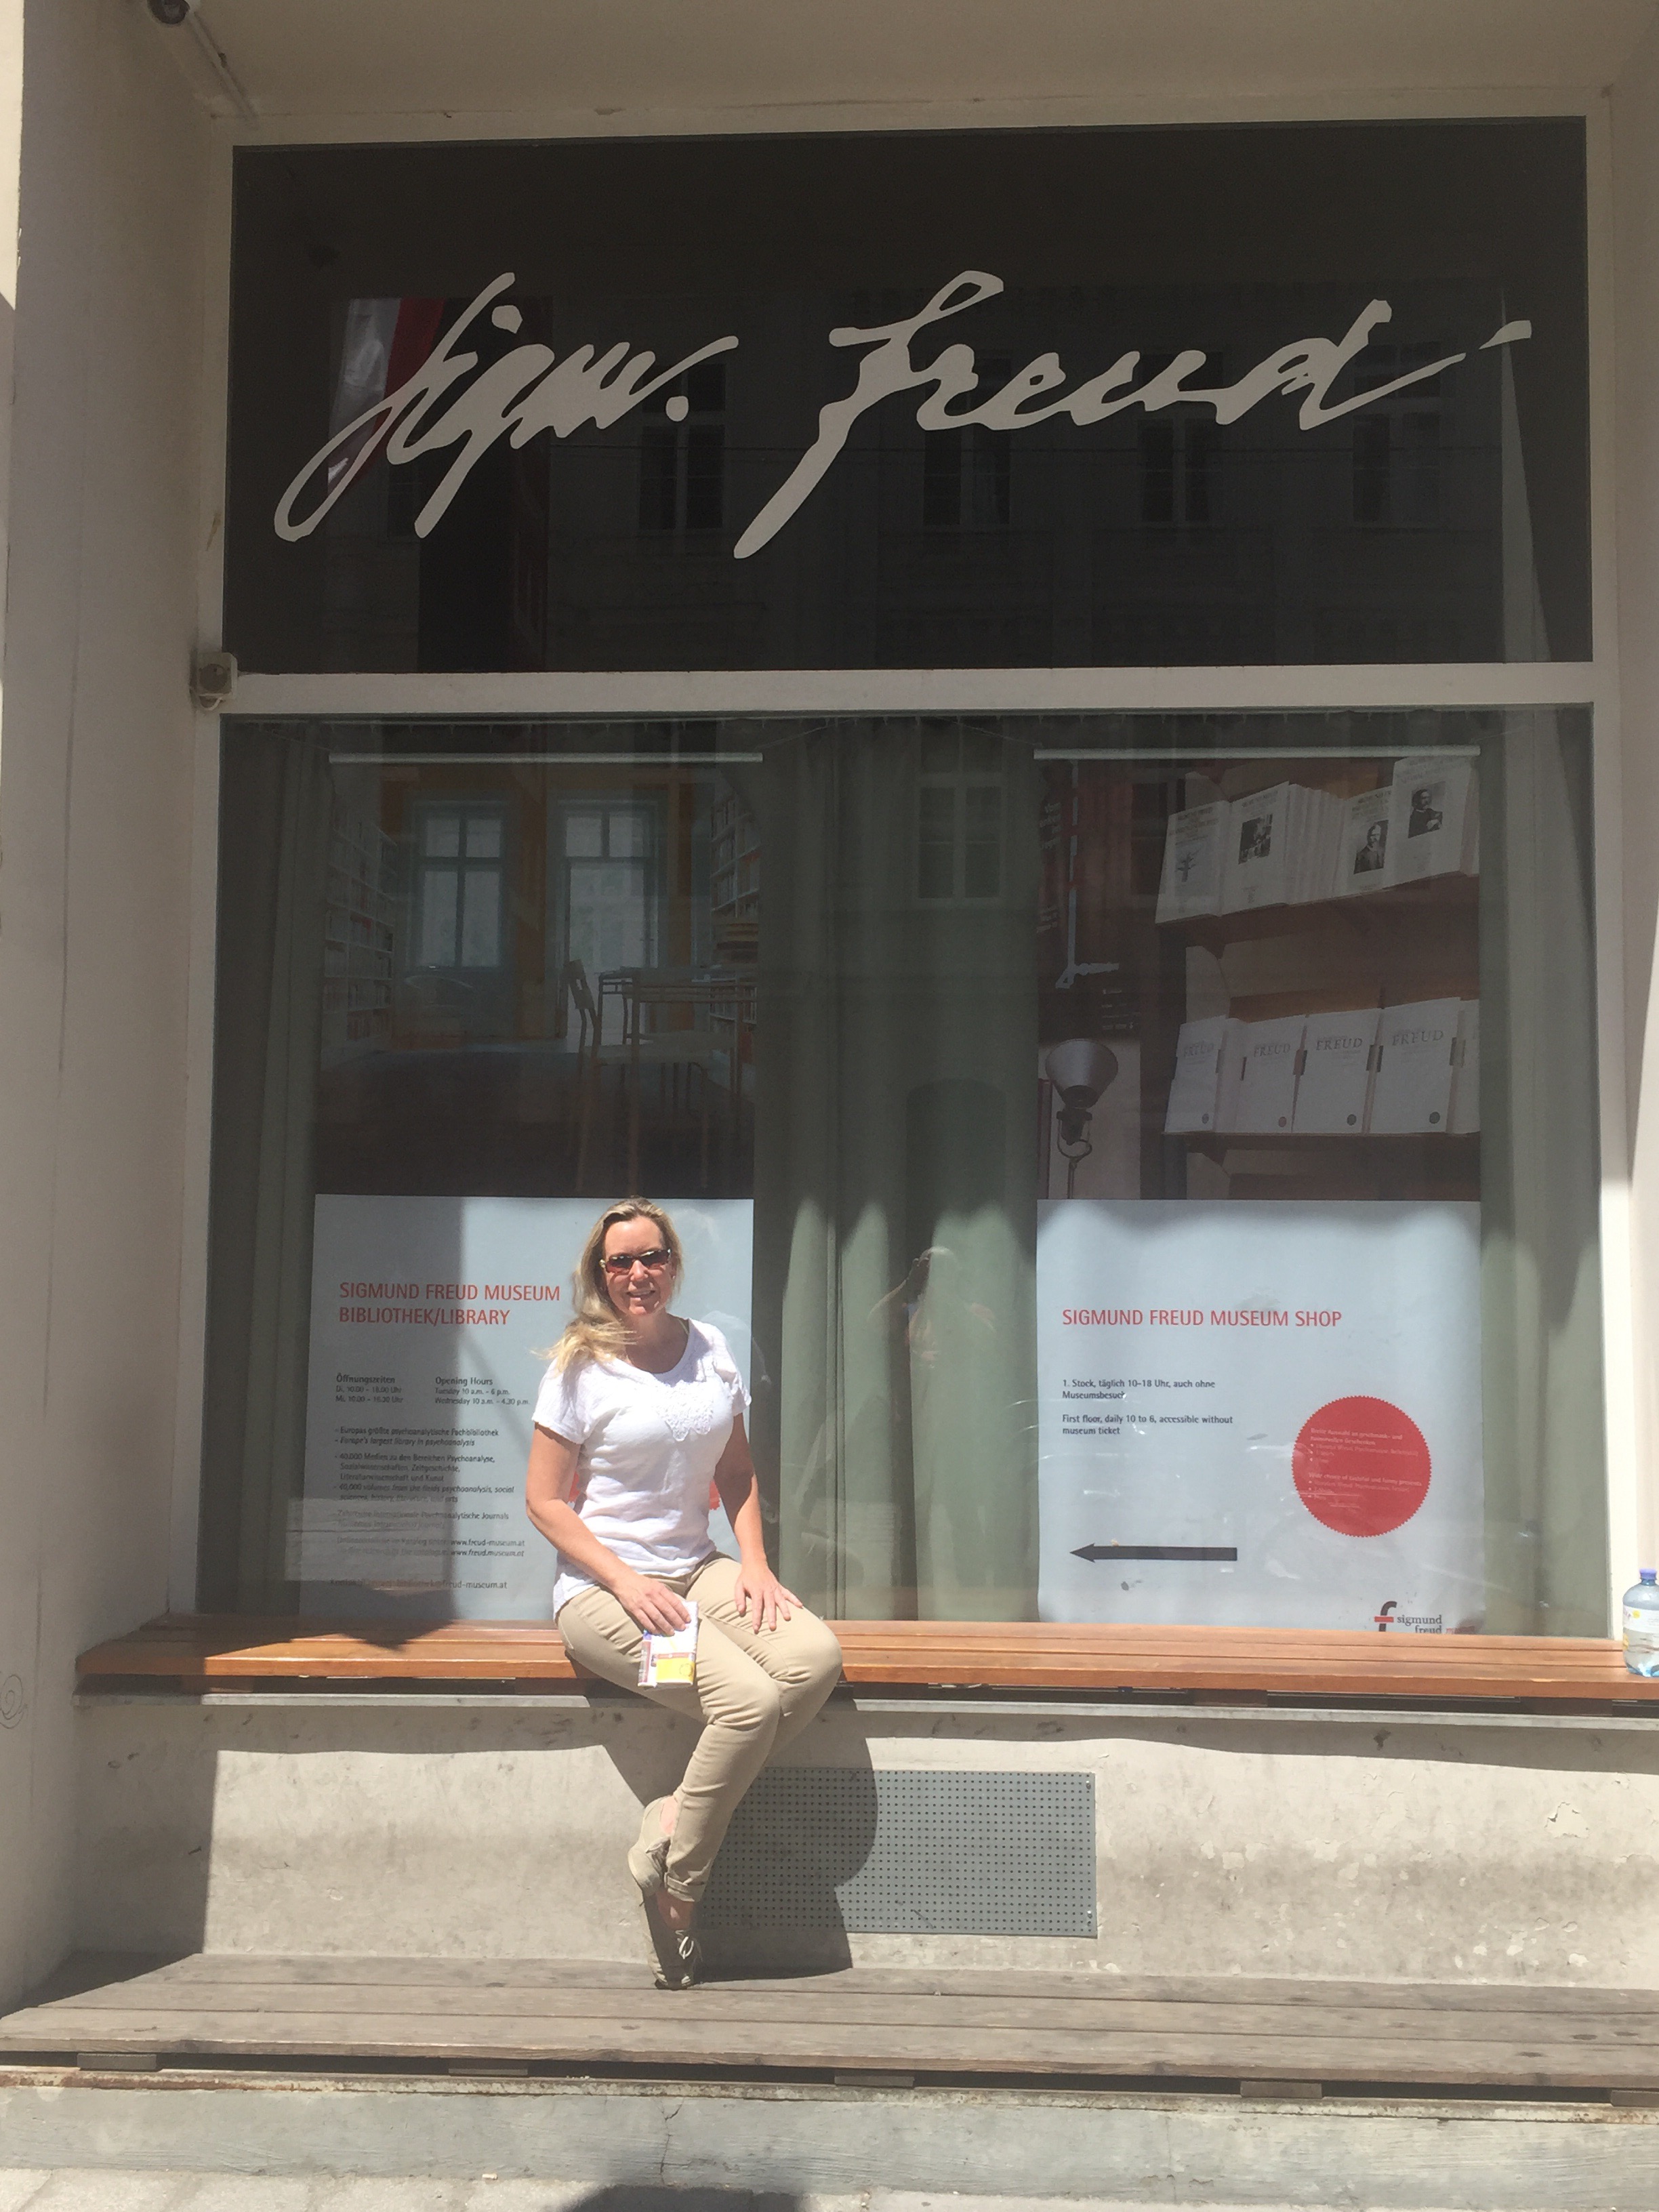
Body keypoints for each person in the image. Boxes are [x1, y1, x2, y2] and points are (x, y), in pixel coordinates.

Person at [525, 1196, 843, 1988]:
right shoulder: (579, 1367)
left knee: (813, 1658)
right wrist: (624, 1580)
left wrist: (756, 1562)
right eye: (621, 1262)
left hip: (698, 1570)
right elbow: (545, 1502)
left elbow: (736, 1469)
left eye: (652, 1257)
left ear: (673, 1264)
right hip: (606, 1594)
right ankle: (679, 1891)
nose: (638, 1274)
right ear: (600, 1275)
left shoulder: (710, 1348)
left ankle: (671, 1817)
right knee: (750, 1704)